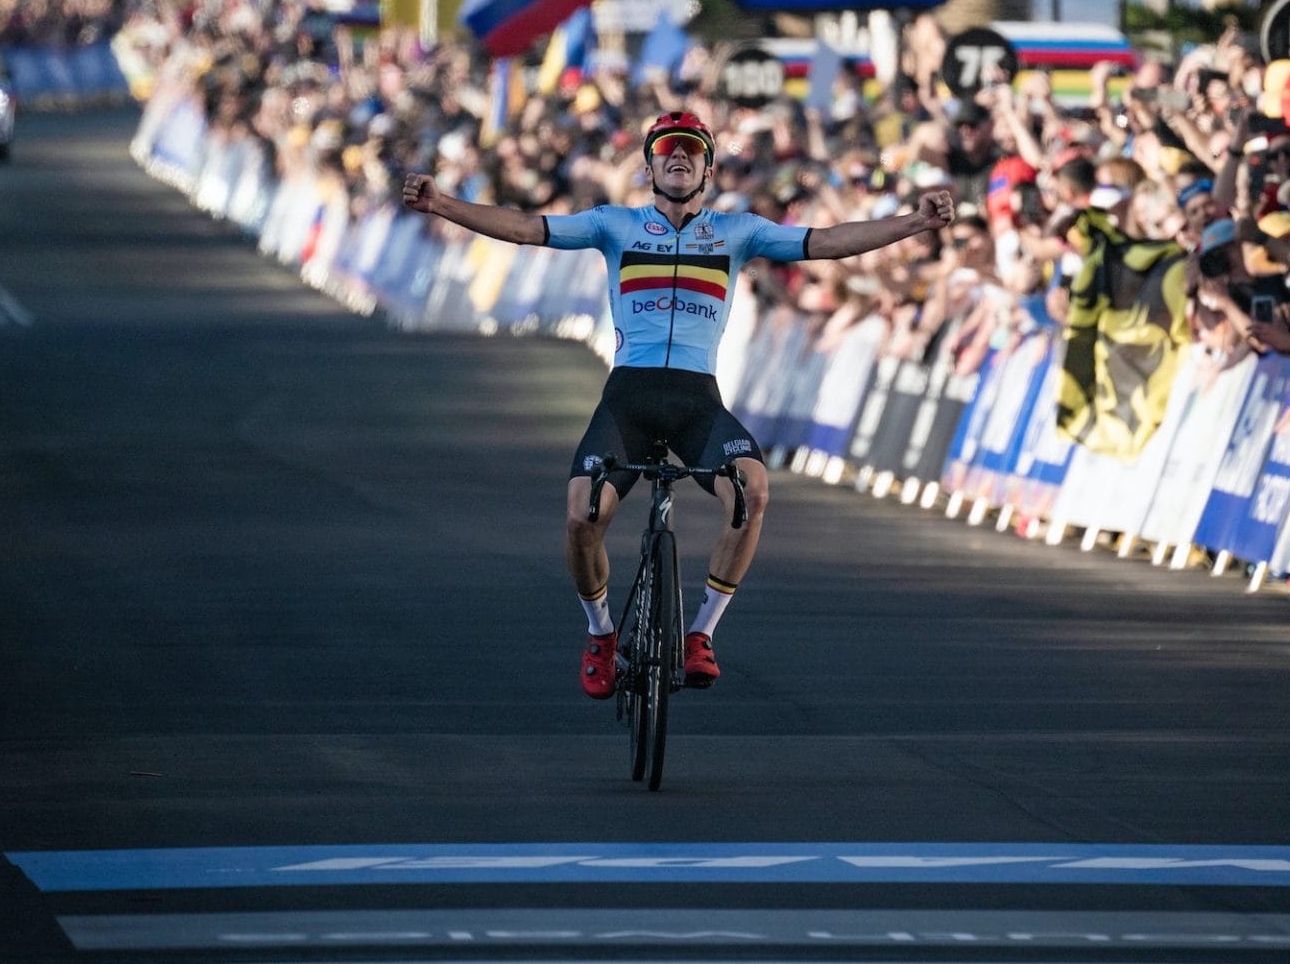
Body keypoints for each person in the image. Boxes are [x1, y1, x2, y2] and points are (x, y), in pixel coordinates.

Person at [402, 109, 954, 697]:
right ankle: (602, 634)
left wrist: (913, 224)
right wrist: (443, 204)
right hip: (629, 400)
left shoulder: (738, 231)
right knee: (580, 517)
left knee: (754, 491)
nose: (679, 157)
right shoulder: (614, 225)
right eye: (667, 149)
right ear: (649, 166)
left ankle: (701, 635)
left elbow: (825, 244)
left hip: (697, 403)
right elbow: (526, 228)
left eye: (691, 150)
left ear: (709, 169)